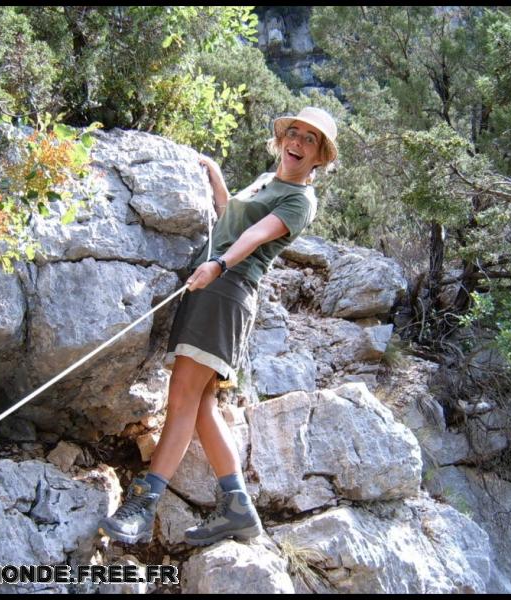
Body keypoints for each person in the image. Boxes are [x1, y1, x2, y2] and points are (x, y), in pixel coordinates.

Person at [98, 107, 338, 546]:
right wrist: (216, 178)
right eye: (294, 133)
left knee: (183, 398)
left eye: (310, 140)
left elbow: (254, 237)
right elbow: (232, 218)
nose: (298, 143)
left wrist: (218, 263)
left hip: (226, 292)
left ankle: (141, 506)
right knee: (203, 402)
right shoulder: (271, 181)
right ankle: (238, 508)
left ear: (320, 156)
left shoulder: (300, 200)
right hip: (214, 287)